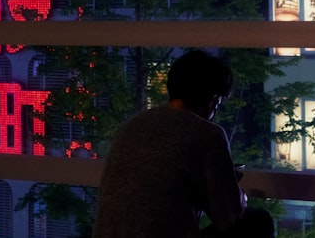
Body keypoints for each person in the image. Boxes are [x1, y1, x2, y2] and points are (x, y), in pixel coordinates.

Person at [93, 49, 274, 238]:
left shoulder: (130, 126)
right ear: (213, 98)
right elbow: (228, 217)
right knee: (259, 221)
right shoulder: (207, 134)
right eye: (218, 104)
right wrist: (236, 193)